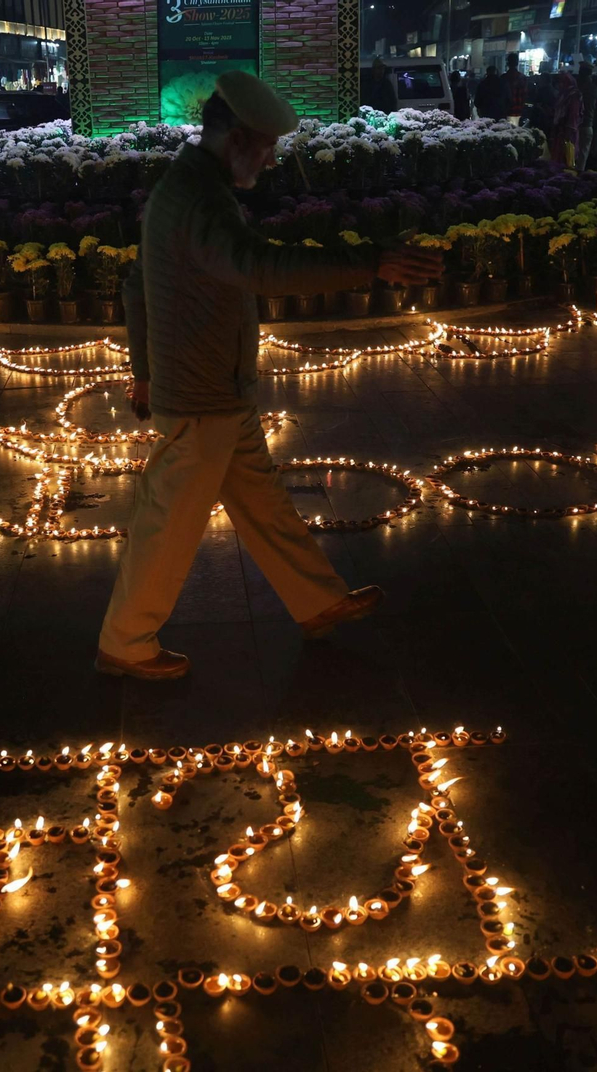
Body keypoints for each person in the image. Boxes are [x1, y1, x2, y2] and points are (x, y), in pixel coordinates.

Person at [93, 71, 442, 681]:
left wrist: (145, 372)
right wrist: (370, 262)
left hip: (212, 384)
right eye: (267, 144)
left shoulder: (187, 186)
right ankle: (125, 642)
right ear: (236, 138)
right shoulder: (199, 199)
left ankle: (316, 600)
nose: (273, 158)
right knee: (169, 522)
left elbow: (135, 286)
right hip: (202, 390)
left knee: (263, 503)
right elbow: (256, 266)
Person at [550, 71, 583, 170]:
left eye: (561, 82)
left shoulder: (573, 96)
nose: (559, 85)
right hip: (560, 132)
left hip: (568, 133)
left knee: (567, 157)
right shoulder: (563, 95)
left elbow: (573, 115)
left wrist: (568, 132)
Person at [503, 54, 529, 122]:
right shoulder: (523, 77)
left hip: (505, 111)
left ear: (507, 63)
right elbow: (525, 95)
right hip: (518, 110)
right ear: (517, 63)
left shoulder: (503, 78)